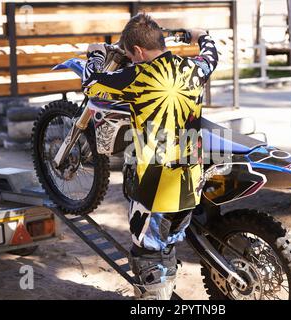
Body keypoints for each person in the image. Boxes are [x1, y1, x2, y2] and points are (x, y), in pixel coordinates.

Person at [82, 13, 218, 300]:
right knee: (166, 244)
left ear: (139, 52)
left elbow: (91, 85)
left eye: (131, 55)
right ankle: (165, 290)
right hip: (191, 182)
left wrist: (94, 55)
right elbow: (212, 55)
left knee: (146, 255)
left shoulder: (136, 76)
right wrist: (201, 36)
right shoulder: (194, 69)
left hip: (154, 188)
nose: (131, 59)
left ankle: (155, 298)